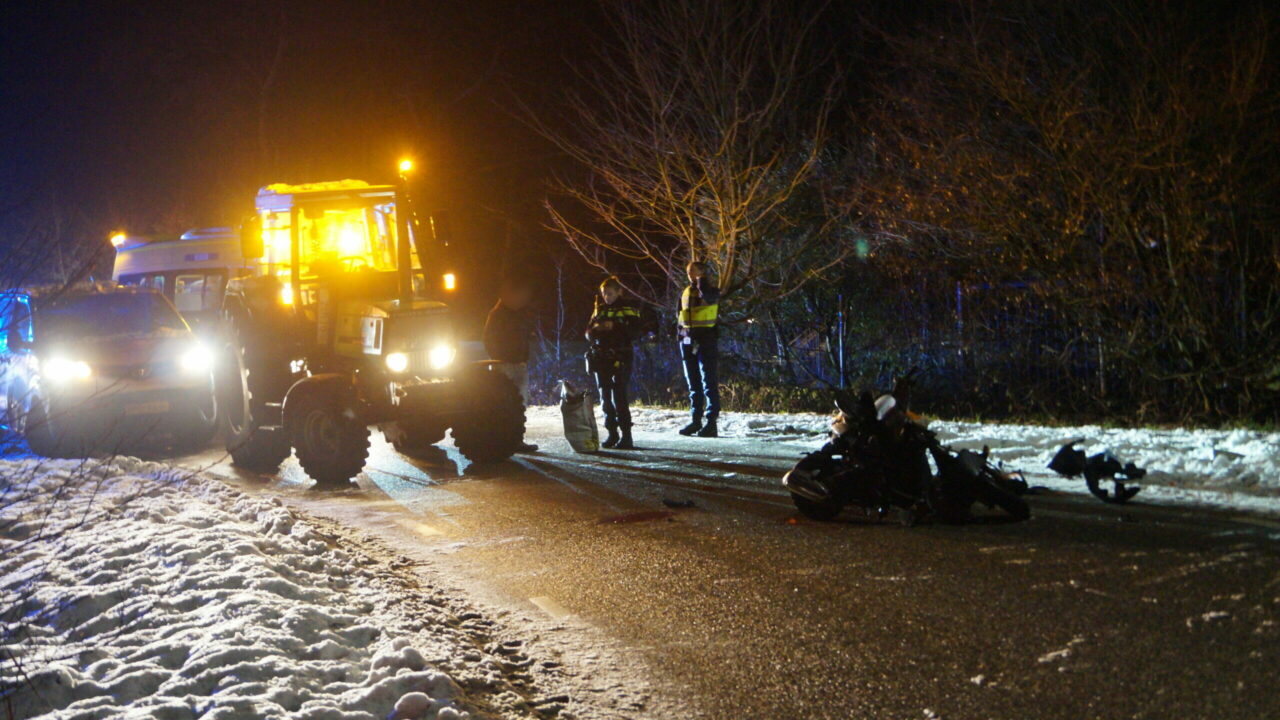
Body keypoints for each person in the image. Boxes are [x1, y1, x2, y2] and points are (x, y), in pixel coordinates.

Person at [585, 277, 642, 449]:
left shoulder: (629, 309)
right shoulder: (599, 310)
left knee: (619, 397)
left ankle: (626, 436)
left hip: (620, 357)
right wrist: (596, 330)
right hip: (601, 357)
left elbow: (636, 331)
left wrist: (614, 326)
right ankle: (612, 433)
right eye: (604, 294)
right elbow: (587, 332)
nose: (606, 297)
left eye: (610, 293)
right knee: (605, 398)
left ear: (619, 292)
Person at [483, 274, 538, 453]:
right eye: (520, 296)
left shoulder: (517, 314)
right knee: (506, 405)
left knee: (518, 405)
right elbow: (489, 340)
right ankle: (505, 440)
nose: (523, 300)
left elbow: (522, 335)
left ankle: (516, 440)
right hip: (505, 365)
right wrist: (501, 357)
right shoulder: (498, 314)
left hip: (518, 364)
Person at [677, 260, 720, 437]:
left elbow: (709, 298)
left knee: (708, 381)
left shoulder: (710, 290)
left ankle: (711, 422)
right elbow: (680, 315)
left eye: (693, 271)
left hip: (706, 339)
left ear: (702, 272)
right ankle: (696, 420)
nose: (690, 275)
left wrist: (702, 281)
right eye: (688, 272)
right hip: (687, 340)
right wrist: (680, 338)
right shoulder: (686, 292)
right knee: (693, 382)